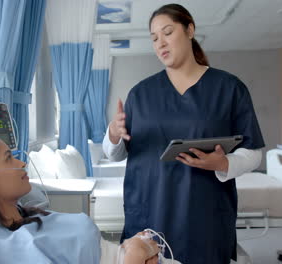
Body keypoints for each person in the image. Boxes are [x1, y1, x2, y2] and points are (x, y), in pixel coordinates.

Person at [103, 3, 265, 264]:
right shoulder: (140, 94)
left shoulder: (229, 88)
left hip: (203, 211)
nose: (160, 43)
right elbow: (116, 154)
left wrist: (224, 163)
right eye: (154, 38)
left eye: (168, 32)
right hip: (149, 208)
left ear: (190, 30)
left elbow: (253, 152)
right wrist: (113, 134)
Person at [0, 131, 160, 264]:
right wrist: (134, 255)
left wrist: (130, 246)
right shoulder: (9, 245)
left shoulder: (32, 215)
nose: (22, 163)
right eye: (8, 159)